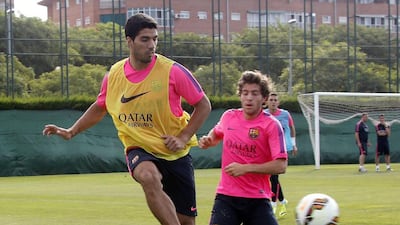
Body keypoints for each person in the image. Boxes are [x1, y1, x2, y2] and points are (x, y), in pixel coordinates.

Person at [43, 13, 211, 225]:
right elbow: (100, 106)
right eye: (145, 39)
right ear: (129, 41)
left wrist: (184, 136)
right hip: (138, 148)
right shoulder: (114, 75)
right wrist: (71, 131)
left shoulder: (173, 71)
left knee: (187, 221)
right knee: (148, 177)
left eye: (155, 39)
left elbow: (204, 105)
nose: (152, 45)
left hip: (175, 152)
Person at [198, 70, 288, 225]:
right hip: (227, 197)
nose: (249, 98)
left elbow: (281, 165)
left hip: (258, 198)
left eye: (254, 93)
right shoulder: (229, 116)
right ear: (240, 95)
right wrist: (209, 140)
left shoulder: (272, 125)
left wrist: (246, 168)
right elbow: (217, 133)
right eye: (245, 93)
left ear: (264, 98)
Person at [265, 92, 297, 218]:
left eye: (275, 100)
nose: (273, 102)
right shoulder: (264, 114)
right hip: (267, 149)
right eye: (271, 100)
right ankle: (282, 201)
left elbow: (292, 128)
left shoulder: (285, 114)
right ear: (267, 102)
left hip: (281, 149)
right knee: (272, 177)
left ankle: (273, 205)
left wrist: (294, 144)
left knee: (274, 177)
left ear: (278, 102)